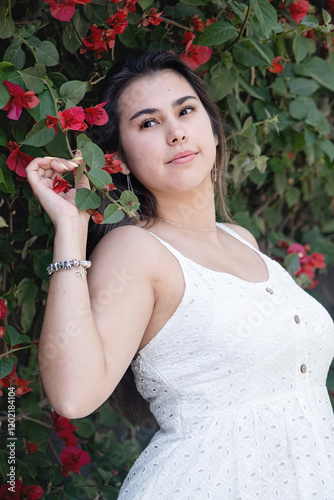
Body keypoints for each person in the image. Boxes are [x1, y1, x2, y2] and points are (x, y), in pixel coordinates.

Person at [26, 50, 334, 499]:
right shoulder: (137, 250)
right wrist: (72, 229)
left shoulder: (241, 239)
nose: (176, 132)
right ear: (122, 160)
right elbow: (73, 397)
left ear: (210, 125)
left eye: (186, 110)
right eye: (148, 123)